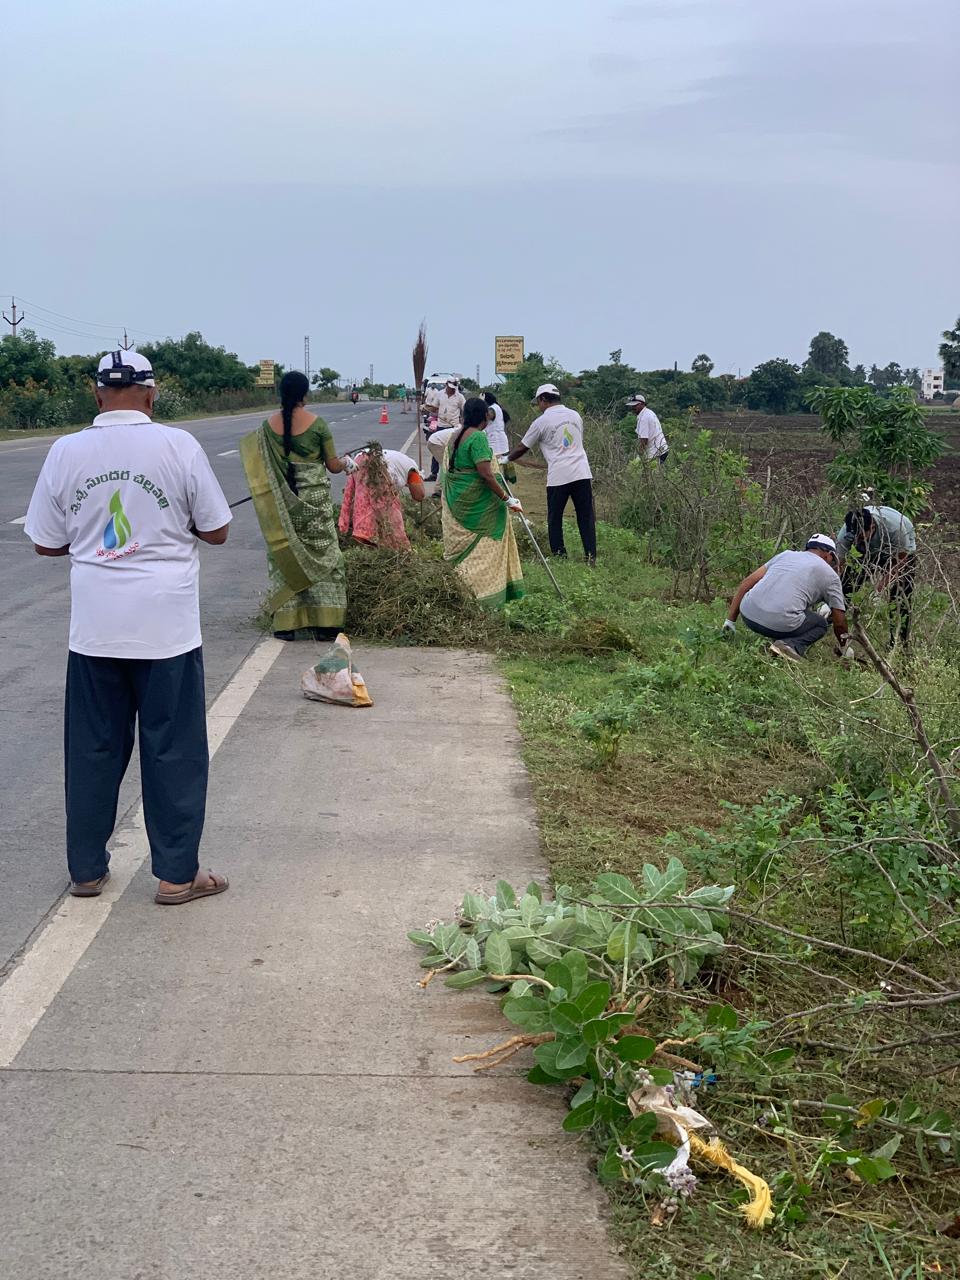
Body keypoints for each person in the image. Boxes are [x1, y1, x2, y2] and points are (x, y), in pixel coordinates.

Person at [24, 350, 232, 905]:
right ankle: (177, 876)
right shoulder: (178, 446)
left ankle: (87, 871)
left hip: (95, 630)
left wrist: (95, 541)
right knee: (174, 751)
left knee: (92, 750)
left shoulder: (66, 450)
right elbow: (217, 530)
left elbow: (46, 542)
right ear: (151, 394)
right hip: (167, 630)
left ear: (97, 395)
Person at [240, 370, 353, 642]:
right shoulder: (318, 425)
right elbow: (333, 465)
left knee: (286, 556)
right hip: (314, 502)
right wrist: (348, 463)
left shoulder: (267, 427)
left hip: (282, 503)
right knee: (327, 557)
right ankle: (326, 624)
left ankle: (286, 624)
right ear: (305, 394)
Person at [441, 397, 525, 608]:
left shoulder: (455, 435)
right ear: (484, 417)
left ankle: (459, 589)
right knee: (486, 544)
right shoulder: (478, 437)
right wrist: (506, 499)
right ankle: (482, 594)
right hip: (477, 503)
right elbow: (486, 474)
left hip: (458, 500)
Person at [507, 382, 597, 564]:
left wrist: (506, 459)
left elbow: (522, 447)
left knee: (555, 518)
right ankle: (590, 556)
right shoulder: (575, 415)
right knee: (586, 517)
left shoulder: (542, 421)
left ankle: (559, 555)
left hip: (559, 476)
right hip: (582, 472)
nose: (538, 407)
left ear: (543, 399)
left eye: (538, 403)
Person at [724, 534, 849, 662]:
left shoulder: (785, 555)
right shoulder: (830, 575)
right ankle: (789, 646)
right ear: (828, 555)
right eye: (833, 561)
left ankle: (777, 640)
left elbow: (746, 583)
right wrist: (845, 647)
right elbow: (839, 621)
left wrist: (730, 621)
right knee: (820, 624)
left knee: (793, 610)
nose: (832, 564)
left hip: (748, 614)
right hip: (777, 623)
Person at [836, 505, 916, 645]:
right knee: (846, 585)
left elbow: (901, 561)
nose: (856, 541)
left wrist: (878, 590)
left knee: (900, 597)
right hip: (869, 551)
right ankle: (830, 622)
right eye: (854, 538)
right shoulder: (846, 532)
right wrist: (832, 593)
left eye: (860, 537)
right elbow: (838, 564)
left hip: (898, 552)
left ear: (872, 527)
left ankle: (899, 642)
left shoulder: (895, 529)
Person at [338, 441, 425, 550]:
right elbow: (419, 495)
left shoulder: (400, 462)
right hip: (375, 465)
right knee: (389, 512)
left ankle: (361, 537)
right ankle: (398, 546)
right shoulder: (413, 471)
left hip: (360, 459)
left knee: (363, 503)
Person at [626, 393, 668, 463]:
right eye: (632, 406)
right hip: (662, 449)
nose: (633, 408)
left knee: (649, 469)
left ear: (642, 404)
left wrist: (639, 458)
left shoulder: (644, 417)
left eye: (635, 405)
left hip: (656, 452)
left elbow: (644, 440)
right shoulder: (649, 412)